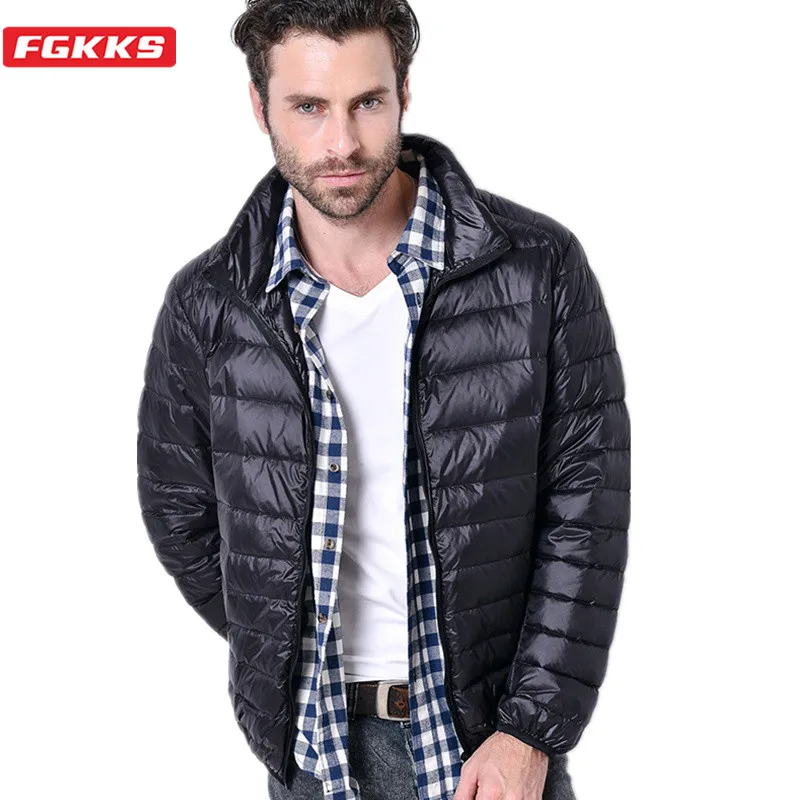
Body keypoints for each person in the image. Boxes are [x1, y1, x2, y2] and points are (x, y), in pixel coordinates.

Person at [135, 1, 631, 799]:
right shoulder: (212, 304)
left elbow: (587, 514)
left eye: (366, 102)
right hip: (314, 754)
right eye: (308, 107)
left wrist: (530, 730)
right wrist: (282, 640)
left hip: (487, 753)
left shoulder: (536, 269)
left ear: (404, 92)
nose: (341, 143)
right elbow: (179, 511)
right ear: (259, 106)